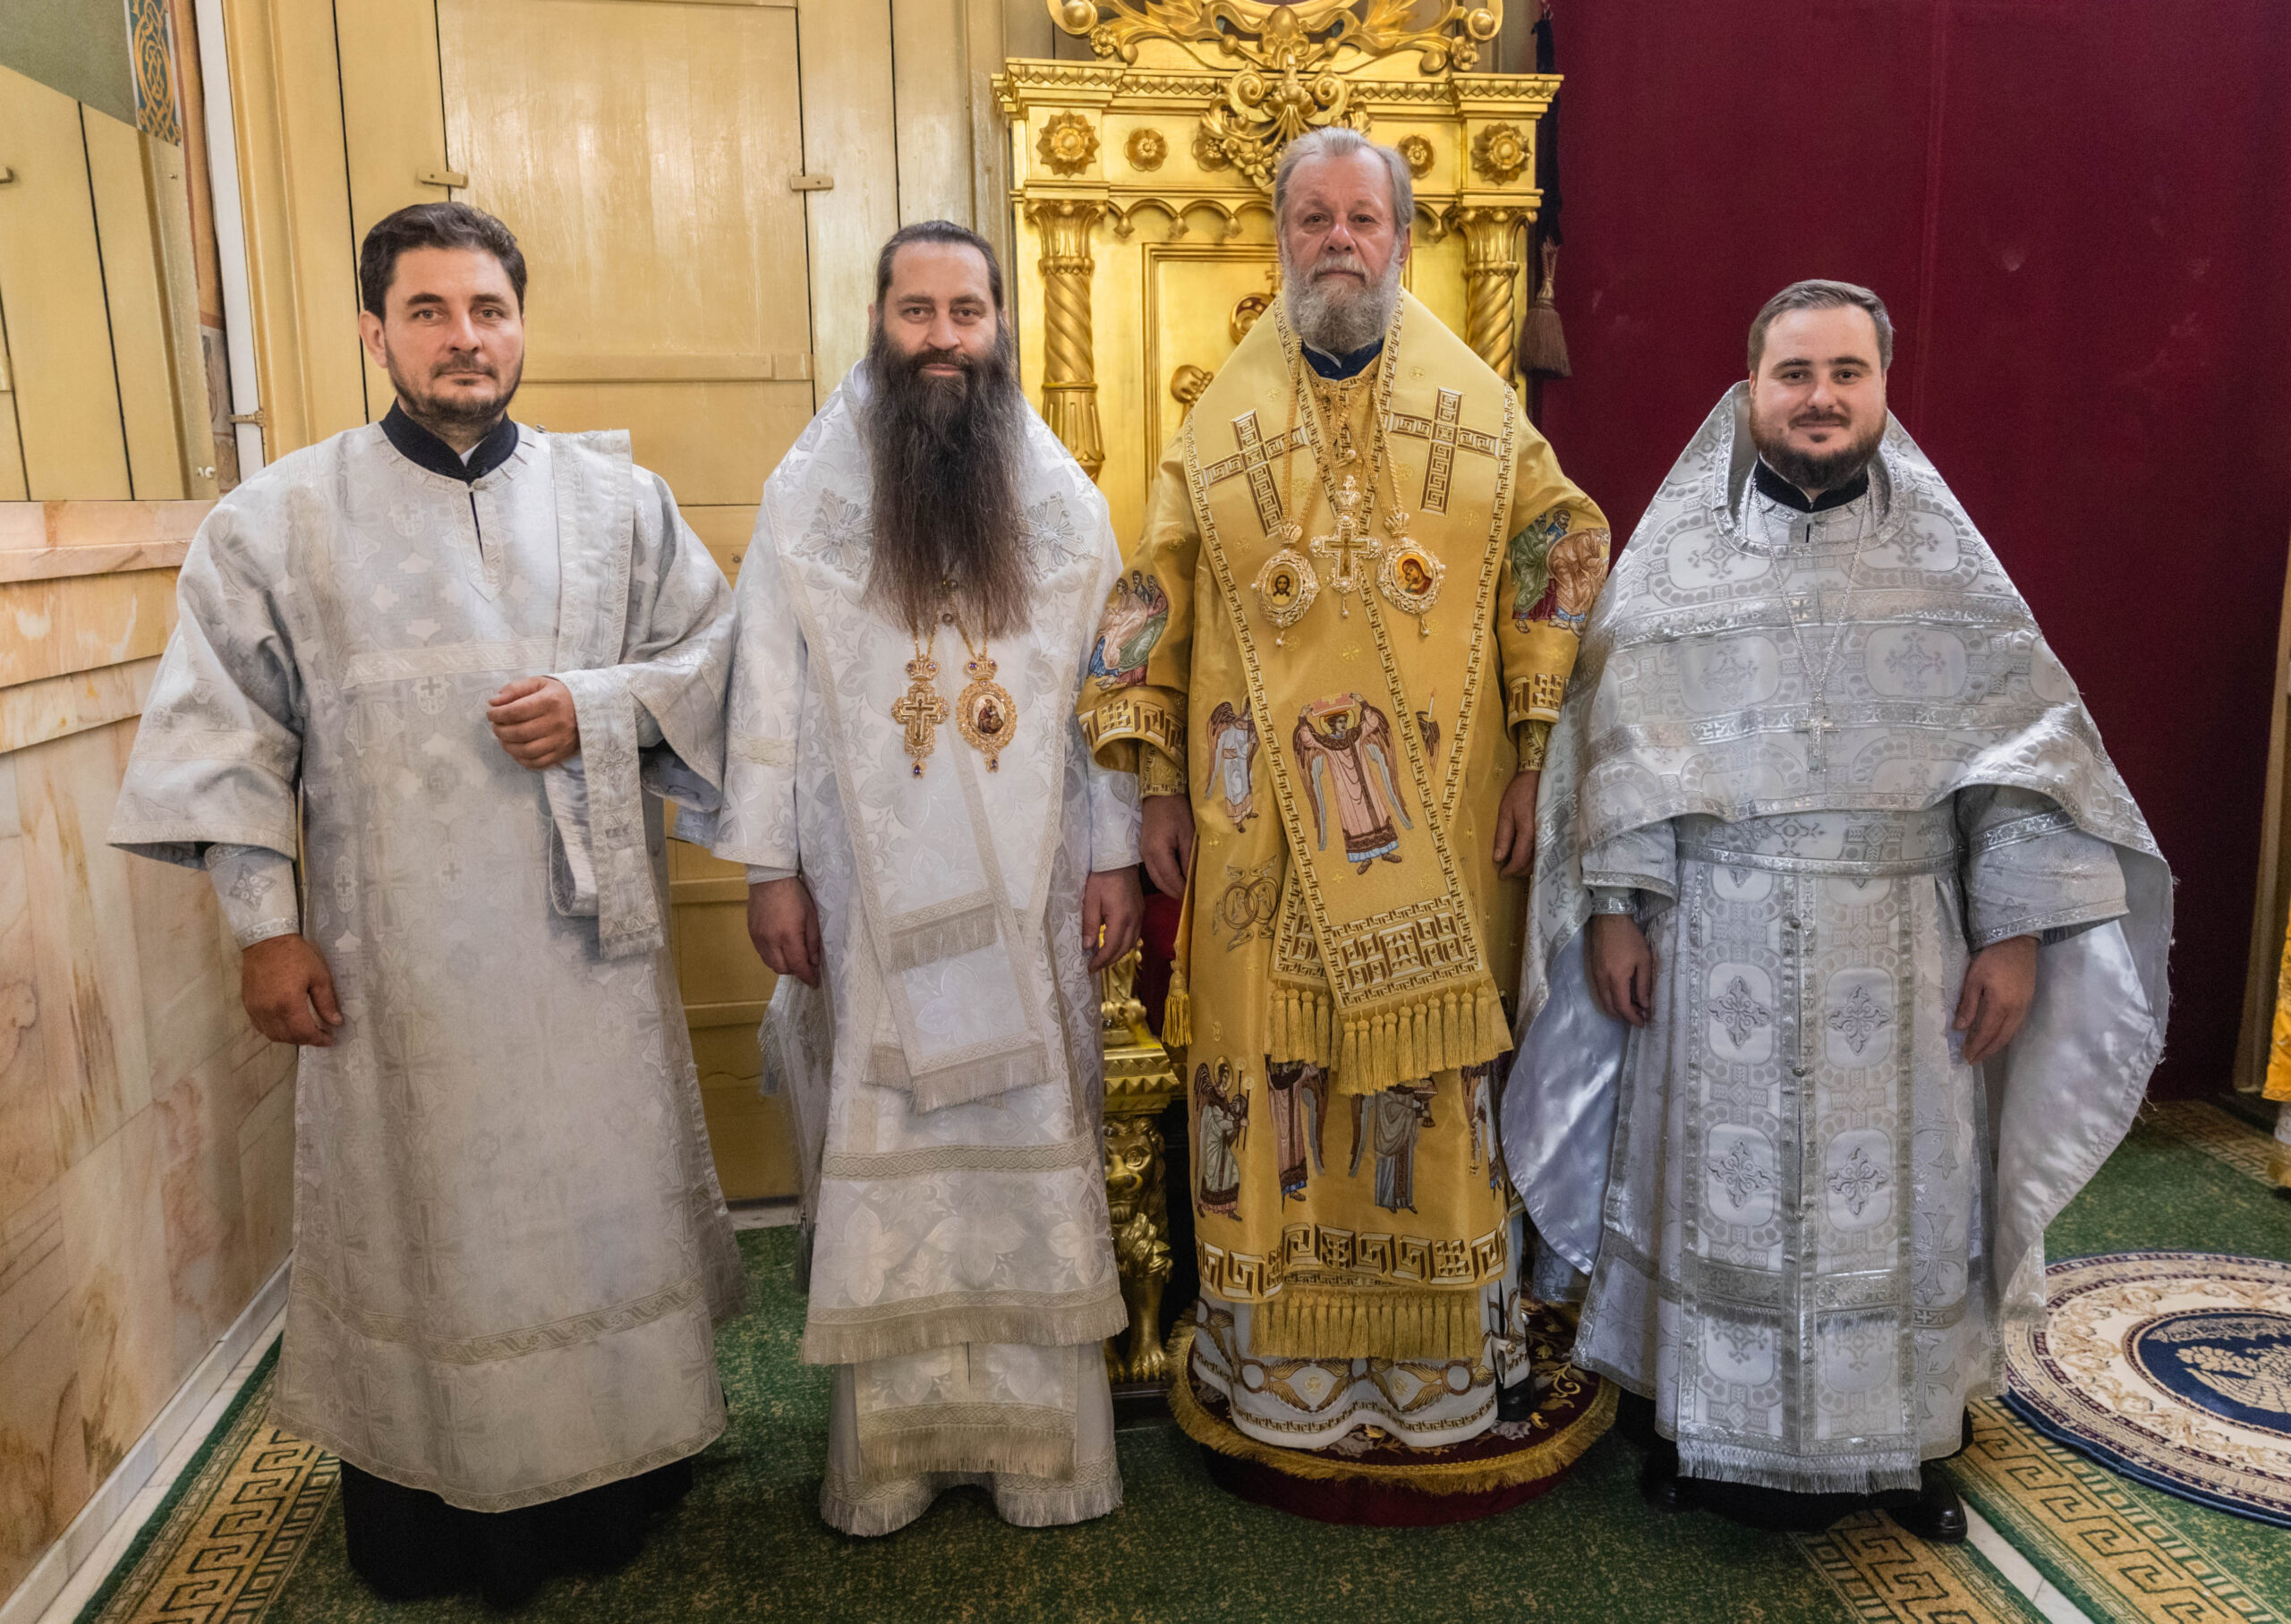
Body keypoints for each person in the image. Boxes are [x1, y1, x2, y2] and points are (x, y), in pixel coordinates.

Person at [107, 202, 745, 1606]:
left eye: (489, 311)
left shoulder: (618, 504)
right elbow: (225, 738)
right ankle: (435, 1518)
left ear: (521, 325)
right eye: (430, 312)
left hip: (586, 965)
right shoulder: (278, 520)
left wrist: (602, 704)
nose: (466, 338)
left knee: (596, 1215)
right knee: (426, 1229)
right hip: (398, 973)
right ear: (374, 331)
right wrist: (266, 929)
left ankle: (615, 1483)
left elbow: (719, 664)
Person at [1504, 279, 2169, 1541]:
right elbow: (1619, 741)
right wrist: (1618, 909)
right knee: (1723, 1188)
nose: (1820, 397)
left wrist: (2015, 931)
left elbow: (2019, 761)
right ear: (1751, 389)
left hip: (1904, 946)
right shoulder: (1677, 568)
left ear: (1881, 390)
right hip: (1718, 935)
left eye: (1845, 374)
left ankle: (1900, 1448)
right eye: (1796, 374)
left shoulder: (1951, 574)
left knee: (1899, 1203)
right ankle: (1705, 1431)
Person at [1077, 125, 1614, 1502]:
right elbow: (1150, 604)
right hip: (1258, 838)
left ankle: (1436, 1371)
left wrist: (1535, 749)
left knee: (1424, 1086)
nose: (1337, 241)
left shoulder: (1481, 413)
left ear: (1402, 240)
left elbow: (1563, 550)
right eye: (1312, 217)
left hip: (1435, 830)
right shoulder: (1218, 428)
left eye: (1361, 219)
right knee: (1271, 1081)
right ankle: (1283, 1368)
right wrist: (1154, 784)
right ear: (1280, 240)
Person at [712, 221, 1142, 1535]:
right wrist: (770, 870)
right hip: (864, 900)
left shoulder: (1062, 501)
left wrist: (1116, 853)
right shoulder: (809, 496)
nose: (943, 337)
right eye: (918, 311)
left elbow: (1107, 695)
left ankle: (1040, 1456)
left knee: (1025, 1131)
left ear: (1000, 325)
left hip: (1029, 893)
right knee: (887, 1133)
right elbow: (765, 690)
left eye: (966, 311)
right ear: (878, 322)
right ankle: (892, 1459)